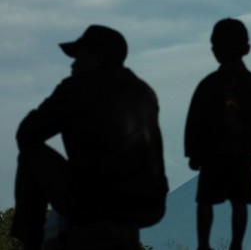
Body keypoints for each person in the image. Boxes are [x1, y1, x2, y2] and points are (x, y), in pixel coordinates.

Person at [10, 25, 169, 250]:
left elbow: (26, 135)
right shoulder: (143, 91)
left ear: (97, 56)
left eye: (79, 56)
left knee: (30, 156)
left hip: (97, 202)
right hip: (149, 204)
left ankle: (30, 242)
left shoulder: (78, 87)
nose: (72, 64)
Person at [185, 18, 251, 250]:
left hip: (212, 155)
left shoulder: (208, 85)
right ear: (247, 49)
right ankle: (236, 245)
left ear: (214, 50)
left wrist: (193, 153)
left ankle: (203, 245)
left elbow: (194, 120)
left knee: (205, 200)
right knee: (239, 201)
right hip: (242, 155)